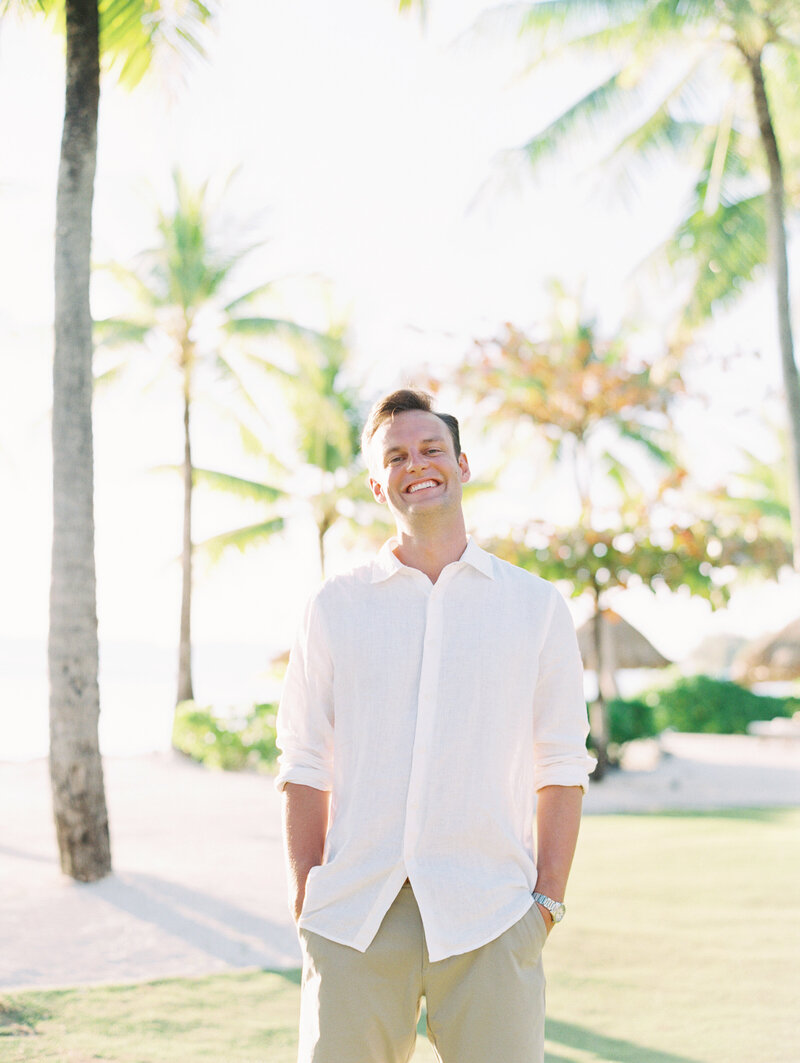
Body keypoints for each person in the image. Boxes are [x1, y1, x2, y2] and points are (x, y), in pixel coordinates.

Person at [275, 388, 594, 1063]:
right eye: (396, 455)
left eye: (430, 449)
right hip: (355, 915)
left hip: (493, 915)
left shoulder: (535, 606)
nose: (416, 464)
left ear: (462, 463)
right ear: (376, 481)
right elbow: (302, 758)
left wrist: (546, 904)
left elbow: (562, 764)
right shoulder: (334, 606)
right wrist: (309, 893)